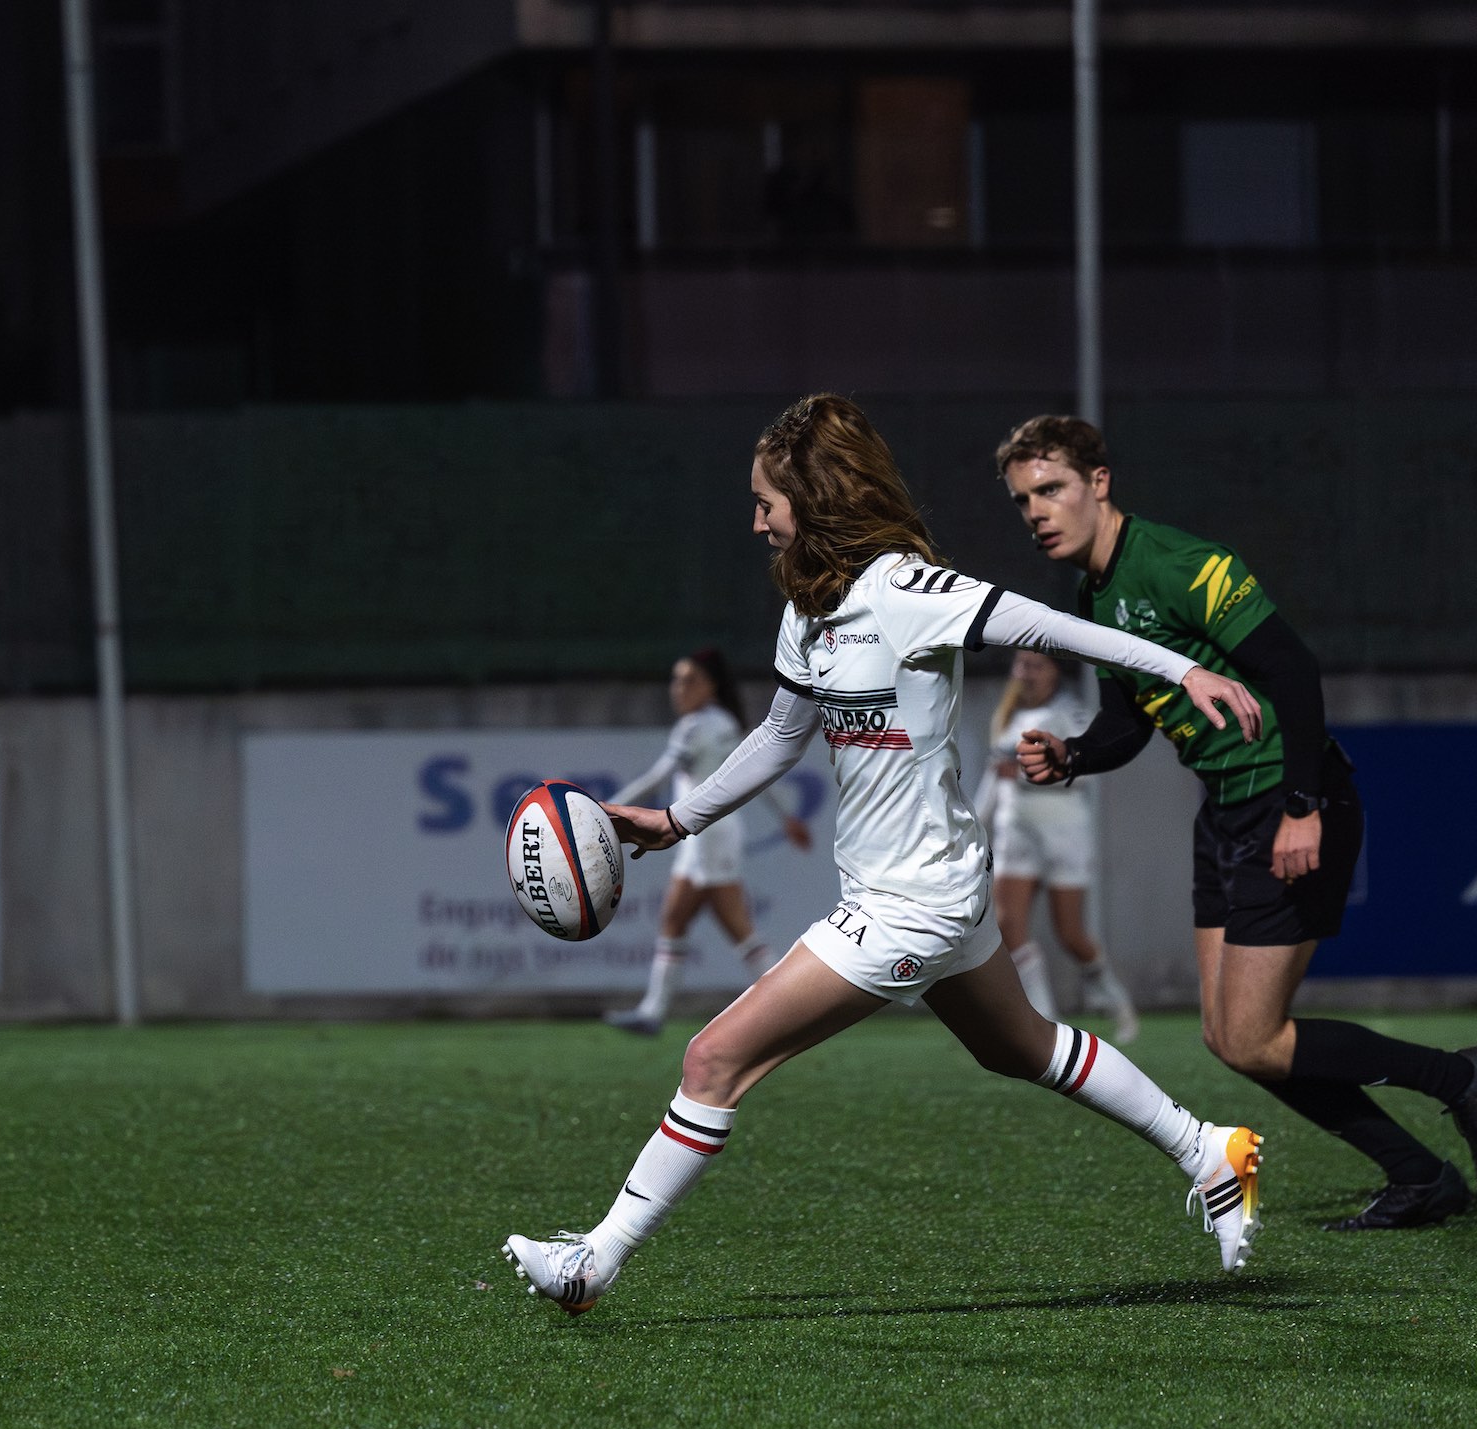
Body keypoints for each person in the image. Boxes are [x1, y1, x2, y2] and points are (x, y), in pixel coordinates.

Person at [502, 394, 1272, 1316]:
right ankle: (1208, 1149)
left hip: (915, 904)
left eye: (767, 501)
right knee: (1021, 1046)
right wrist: (676, 820)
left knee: (713, 1060)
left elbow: (1052, 627)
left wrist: (1181, 668)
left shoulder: (910, 593)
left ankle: (595, 1259)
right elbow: (781, 735)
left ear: (816, 496)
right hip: (929, 884)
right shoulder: (808, 607)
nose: (756, 520)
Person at [999, 414, 1477, 1231]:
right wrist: (1071, 756)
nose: (1037, 511)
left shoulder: (1176, 564)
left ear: (1100, 482)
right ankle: (1419, 1174)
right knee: (1231, 1037)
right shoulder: (1093, 593)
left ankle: (1462, 1080)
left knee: (1253, 1038)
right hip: (1226, 812)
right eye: (1025, 499)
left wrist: (1302, 806)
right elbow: (1130, 723)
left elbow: (1293, 670)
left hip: (1286, 799)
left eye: (1052, 489)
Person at [604, 648, 815, 1037]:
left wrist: (604, 810)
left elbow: (658, 777)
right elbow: (755, 775)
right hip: (710, 836)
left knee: (735, 928)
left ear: (711, 686)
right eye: (676, 679)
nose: (678, 689)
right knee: (678, 920)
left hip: (705, 837)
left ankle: (793, 1006)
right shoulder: (725, 723)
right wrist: (788, 817)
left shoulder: (696, 727)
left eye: (689, 680)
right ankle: (653, 1012)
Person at [978, 649, 1141, 1041]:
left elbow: (1084, 774)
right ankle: (1042, 1017)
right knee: (1007, 923)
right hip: (1015, 829)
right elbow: (992, 780)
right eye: (1022, 664)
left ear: (1054, 672)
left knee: (1070, 933)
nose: (1027, 673)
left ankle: (1114, 999)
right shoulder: (1007, 717)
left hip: (1063, 831)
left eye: (1037, 665)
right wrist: (973, 824)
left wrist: (1021, 773)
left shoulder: (1072, 713)